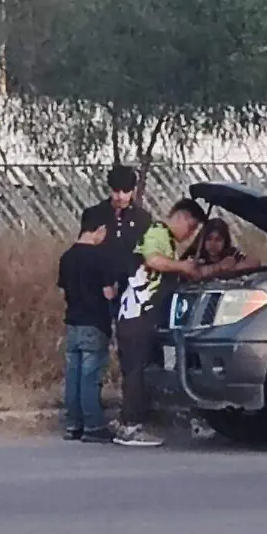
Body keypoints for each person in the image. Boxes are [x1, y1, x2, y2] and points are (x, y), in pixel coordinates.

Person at [113, 198, 207, 447]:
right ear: (182, 218)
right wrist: (182, 267)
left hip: (142, 316)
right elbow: (152, 260)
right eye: (192, 226)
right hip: (137, 315)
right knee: (136, 370)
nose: (191, 234)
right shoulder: (157, 232)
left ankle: (127, 419)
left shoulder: (167, 240)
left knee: (140, 369)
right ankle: (130, 426)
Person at [57, 208, 118, 443]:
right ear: (99, 230)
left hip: (72, 321)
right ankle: (93, 425)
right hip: (94, 322)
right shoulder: (100, 258)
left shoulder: (67, 257)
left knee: (73, 375)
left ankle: (74, 424)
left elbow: (63, 289)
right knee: (90, 376)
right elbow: (108, 293)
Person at [82, 165, 153, 298]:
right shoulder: (93, 215)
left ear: (133, 191)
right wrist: (104, 283)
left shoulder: (142, 218)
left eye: (125, 191)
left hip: (132, 289)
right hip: (97, 288)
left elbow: (145, 254)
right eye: (116, 191)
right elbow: (85, 253)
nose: (120, 196)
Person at [188, 218, 260, 279]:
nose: (213, 244)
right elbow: (193, 273)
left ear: (225, 242)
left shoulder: (232, 254)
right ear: (203, 240)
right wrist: (220, 267)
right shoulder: (196, 256)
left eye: (218, 239)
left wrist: (234, 269)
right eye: (209, 239)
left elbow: (255, 262)